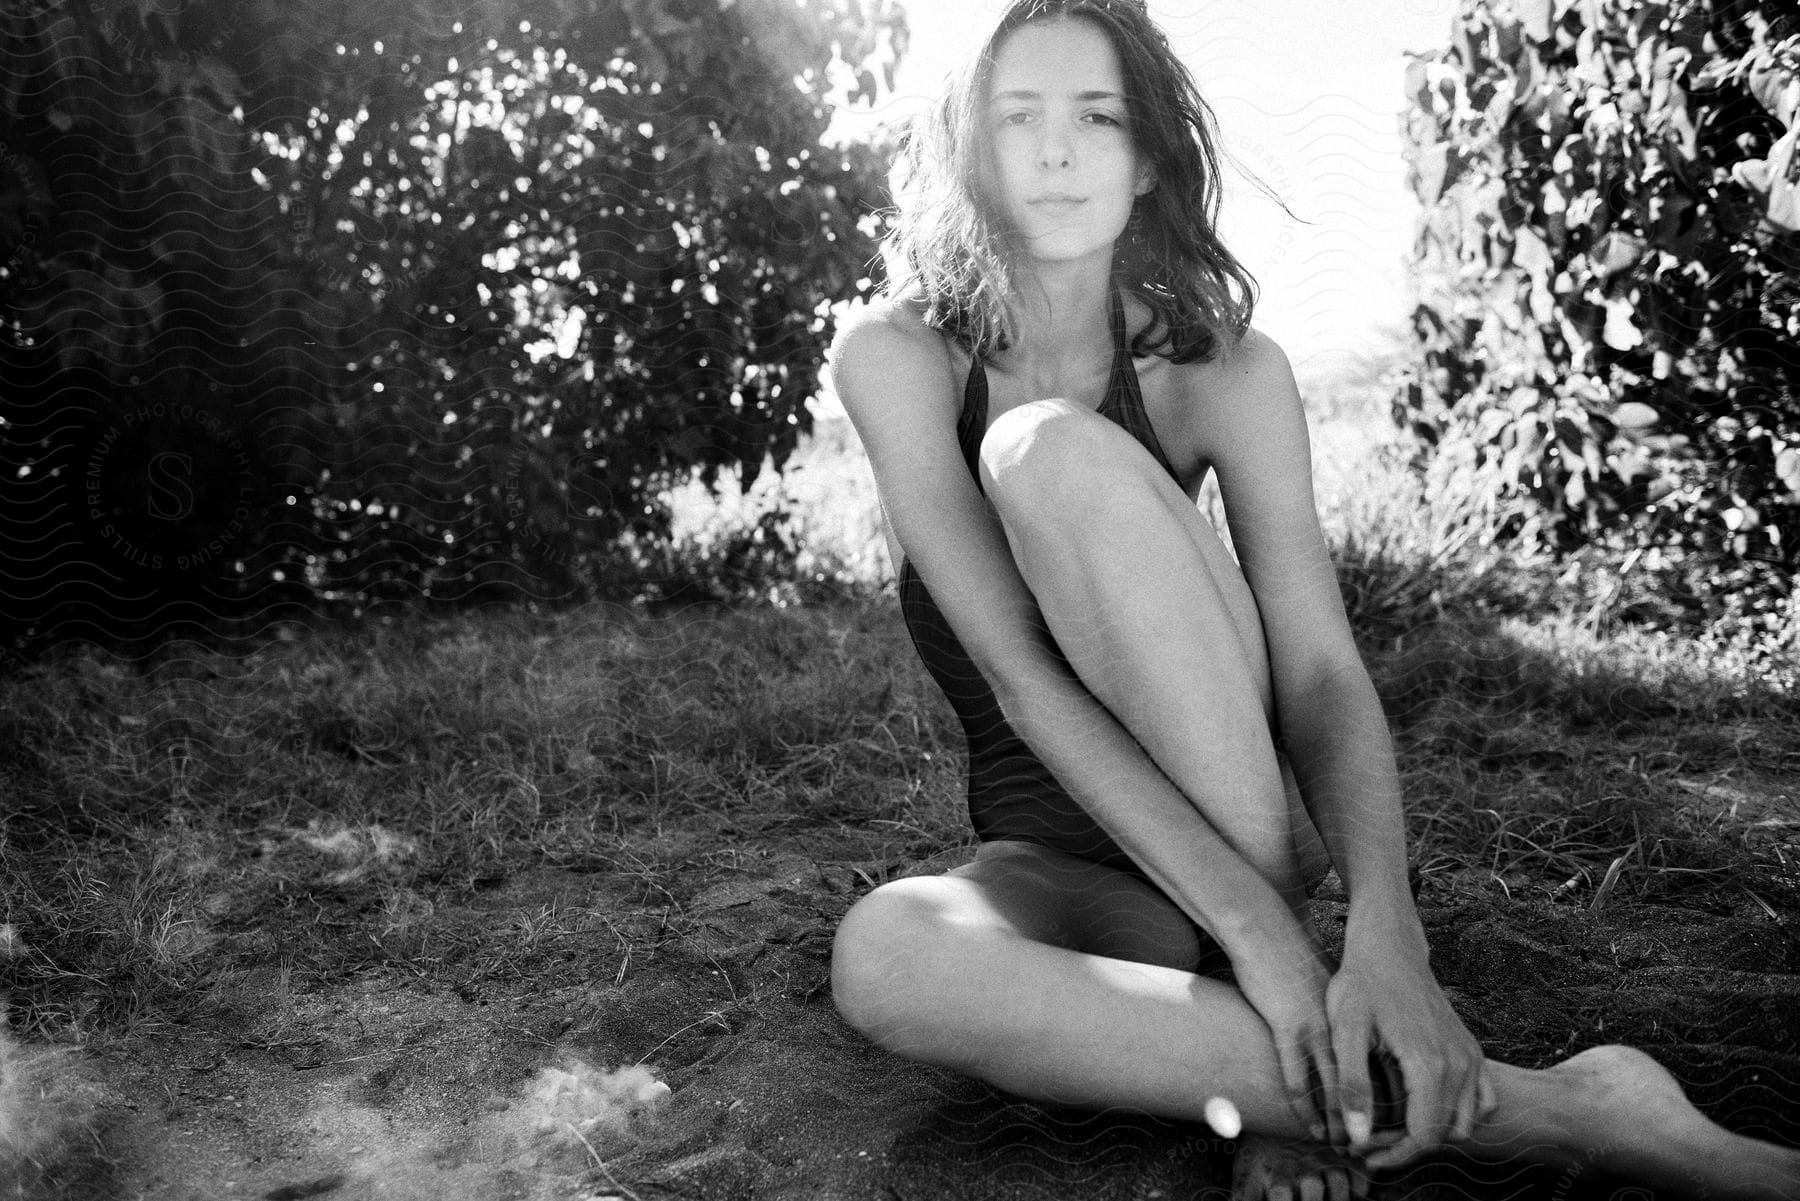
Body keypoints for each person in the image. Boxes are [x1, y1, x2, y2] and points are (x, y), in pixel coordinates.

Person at [823, 0, 1800, 1197]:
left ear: (1148, 161)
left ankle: (1295, 1041)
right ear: (971, 148)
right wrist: (1265, 952)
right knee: (886, 959)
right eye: (1018, 116)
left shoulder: (1225, 372)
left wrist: (1385, 933)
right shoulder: (899, 356)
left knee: (1046, 453)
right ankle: (1576, 1106)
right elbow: (1022, 686)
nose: (1058, 151)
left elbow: (1323, 673)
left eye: (1097, 116)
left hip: (1240, 821)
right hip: (1063, 861)